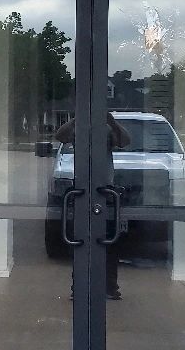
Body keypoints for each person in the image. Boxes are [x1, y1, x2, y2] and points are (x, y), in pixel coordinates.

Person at [54, 112, 131, 300]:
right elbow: (59, 136)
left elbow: (125, 141)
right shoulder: (77, 129)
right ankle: (78, 287)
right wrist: (76, 119)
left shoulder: (107, 130)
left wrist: (111, 122)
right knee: (80, 241)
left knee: (109, 243)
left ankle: (110, 287)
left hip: (106, 191)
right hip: (81, 190)